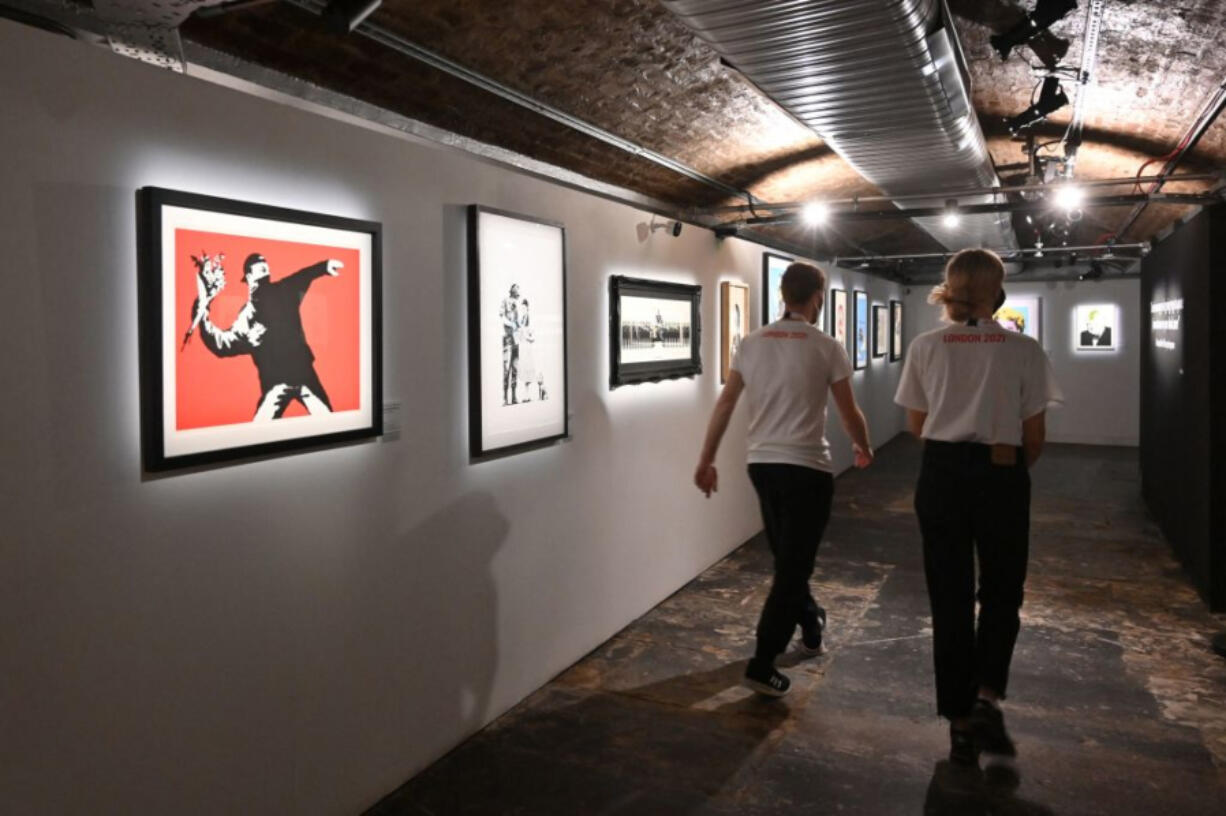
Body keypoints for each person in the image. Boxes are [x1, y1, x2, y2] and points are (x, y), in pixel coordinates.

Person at [894, 249, 1063, 778]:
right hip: (1001, 473)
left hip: (940, 475)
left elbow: (917, 426)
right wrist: (1003, 467)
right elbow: (1034, 439)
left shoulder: (926, 346)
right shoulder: (1023, 348)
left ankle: (960, 726)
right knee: (1003, 589)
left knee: (949, 598)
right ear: (999, 291)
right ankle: (987, 696)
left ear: (949, 289)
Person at [694, 262, 874, 697]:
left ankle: (811, 625)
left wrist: (707, 458)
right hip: (807, 468)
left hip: (762, 466)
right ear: (817, 297)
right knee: (794, 566)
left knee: (789, 560)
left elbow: (725, 405)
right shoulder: (826, 345)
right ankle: (762, 662)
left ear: (782, 293)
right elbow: (848, 411)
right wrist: (864, 447)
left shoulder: (752, 343)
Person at [192, 252, 343, 420]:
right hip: (275, 383)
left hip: (304, 376)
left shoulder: (284, 290)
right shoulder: (247, 315)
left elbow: (303, 276)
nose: (264, 263)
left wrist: (324, 266)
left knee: (328, 421)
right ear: (249, 276)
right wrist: (202, 316)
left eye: (265, 262)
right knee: (260, 429)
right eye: (258, 263)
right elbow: (224, 344)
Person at [501, 284, 523, 405]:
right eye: (517, 293)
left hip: (516, 339)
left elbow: (518, 320)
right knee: (506, 368)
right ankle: (504, 397)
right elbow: (502, 317)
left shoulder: (518, 304)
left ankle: (514, 396)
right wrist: (511, 324)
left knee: (515, 367)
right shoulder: (505, 301)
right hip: (508, 338)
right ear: (512, 292)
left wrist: (520, 326)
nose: (517, 296)